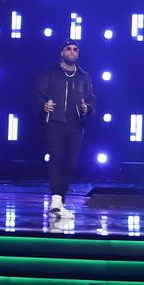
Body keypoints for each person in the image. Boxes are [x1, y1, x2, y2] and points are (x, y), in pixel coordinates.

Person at [32, 41, 96, 217]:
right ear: (62, 53)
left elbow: (91, 99)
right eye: (69, 48)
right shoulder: (50, 74)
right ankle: (56, 198)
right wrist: (44, 105)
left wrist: (87, 108)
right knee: (57, 158)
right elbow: (38, 95)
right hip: (55, 122)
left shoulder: (84, 76)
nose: (72, 51)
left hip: (76, 125)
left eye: (76, 49)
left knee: (71, 163)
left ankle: (60, 202)